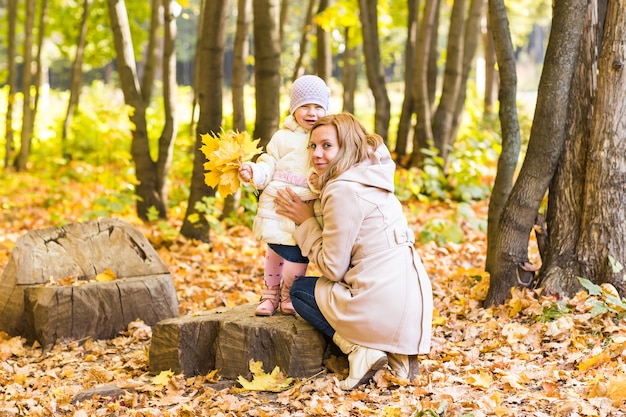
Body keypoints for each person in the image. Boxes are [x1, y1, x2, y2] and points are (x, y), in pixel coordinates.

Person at [275, 113, 433, 390]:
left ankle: (360, 351)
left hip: (382, 300)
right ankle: (396, 353)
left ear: (346, 146)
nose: (316, 154)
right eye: (312, 146)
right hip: (411, 301)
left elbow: (334, 268)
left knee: (299, 292)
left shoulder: (342, 190)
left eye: (327, 146)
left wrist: (306, 222)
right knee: (329, 288)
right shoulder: (370, 173)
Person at [239, 75, 330, 316]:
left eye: (318, 106)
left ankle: (289, 293)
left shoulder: (325, 138)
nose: (311, 112)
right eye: (305, 106)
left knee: (299, 253)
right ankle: (270, 293)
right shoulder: (282, 137)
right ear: (294, 109)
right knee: (276, 249)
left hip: (306, 202)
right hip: (279, 202)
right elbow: (268, 163)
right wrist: (254, 172)